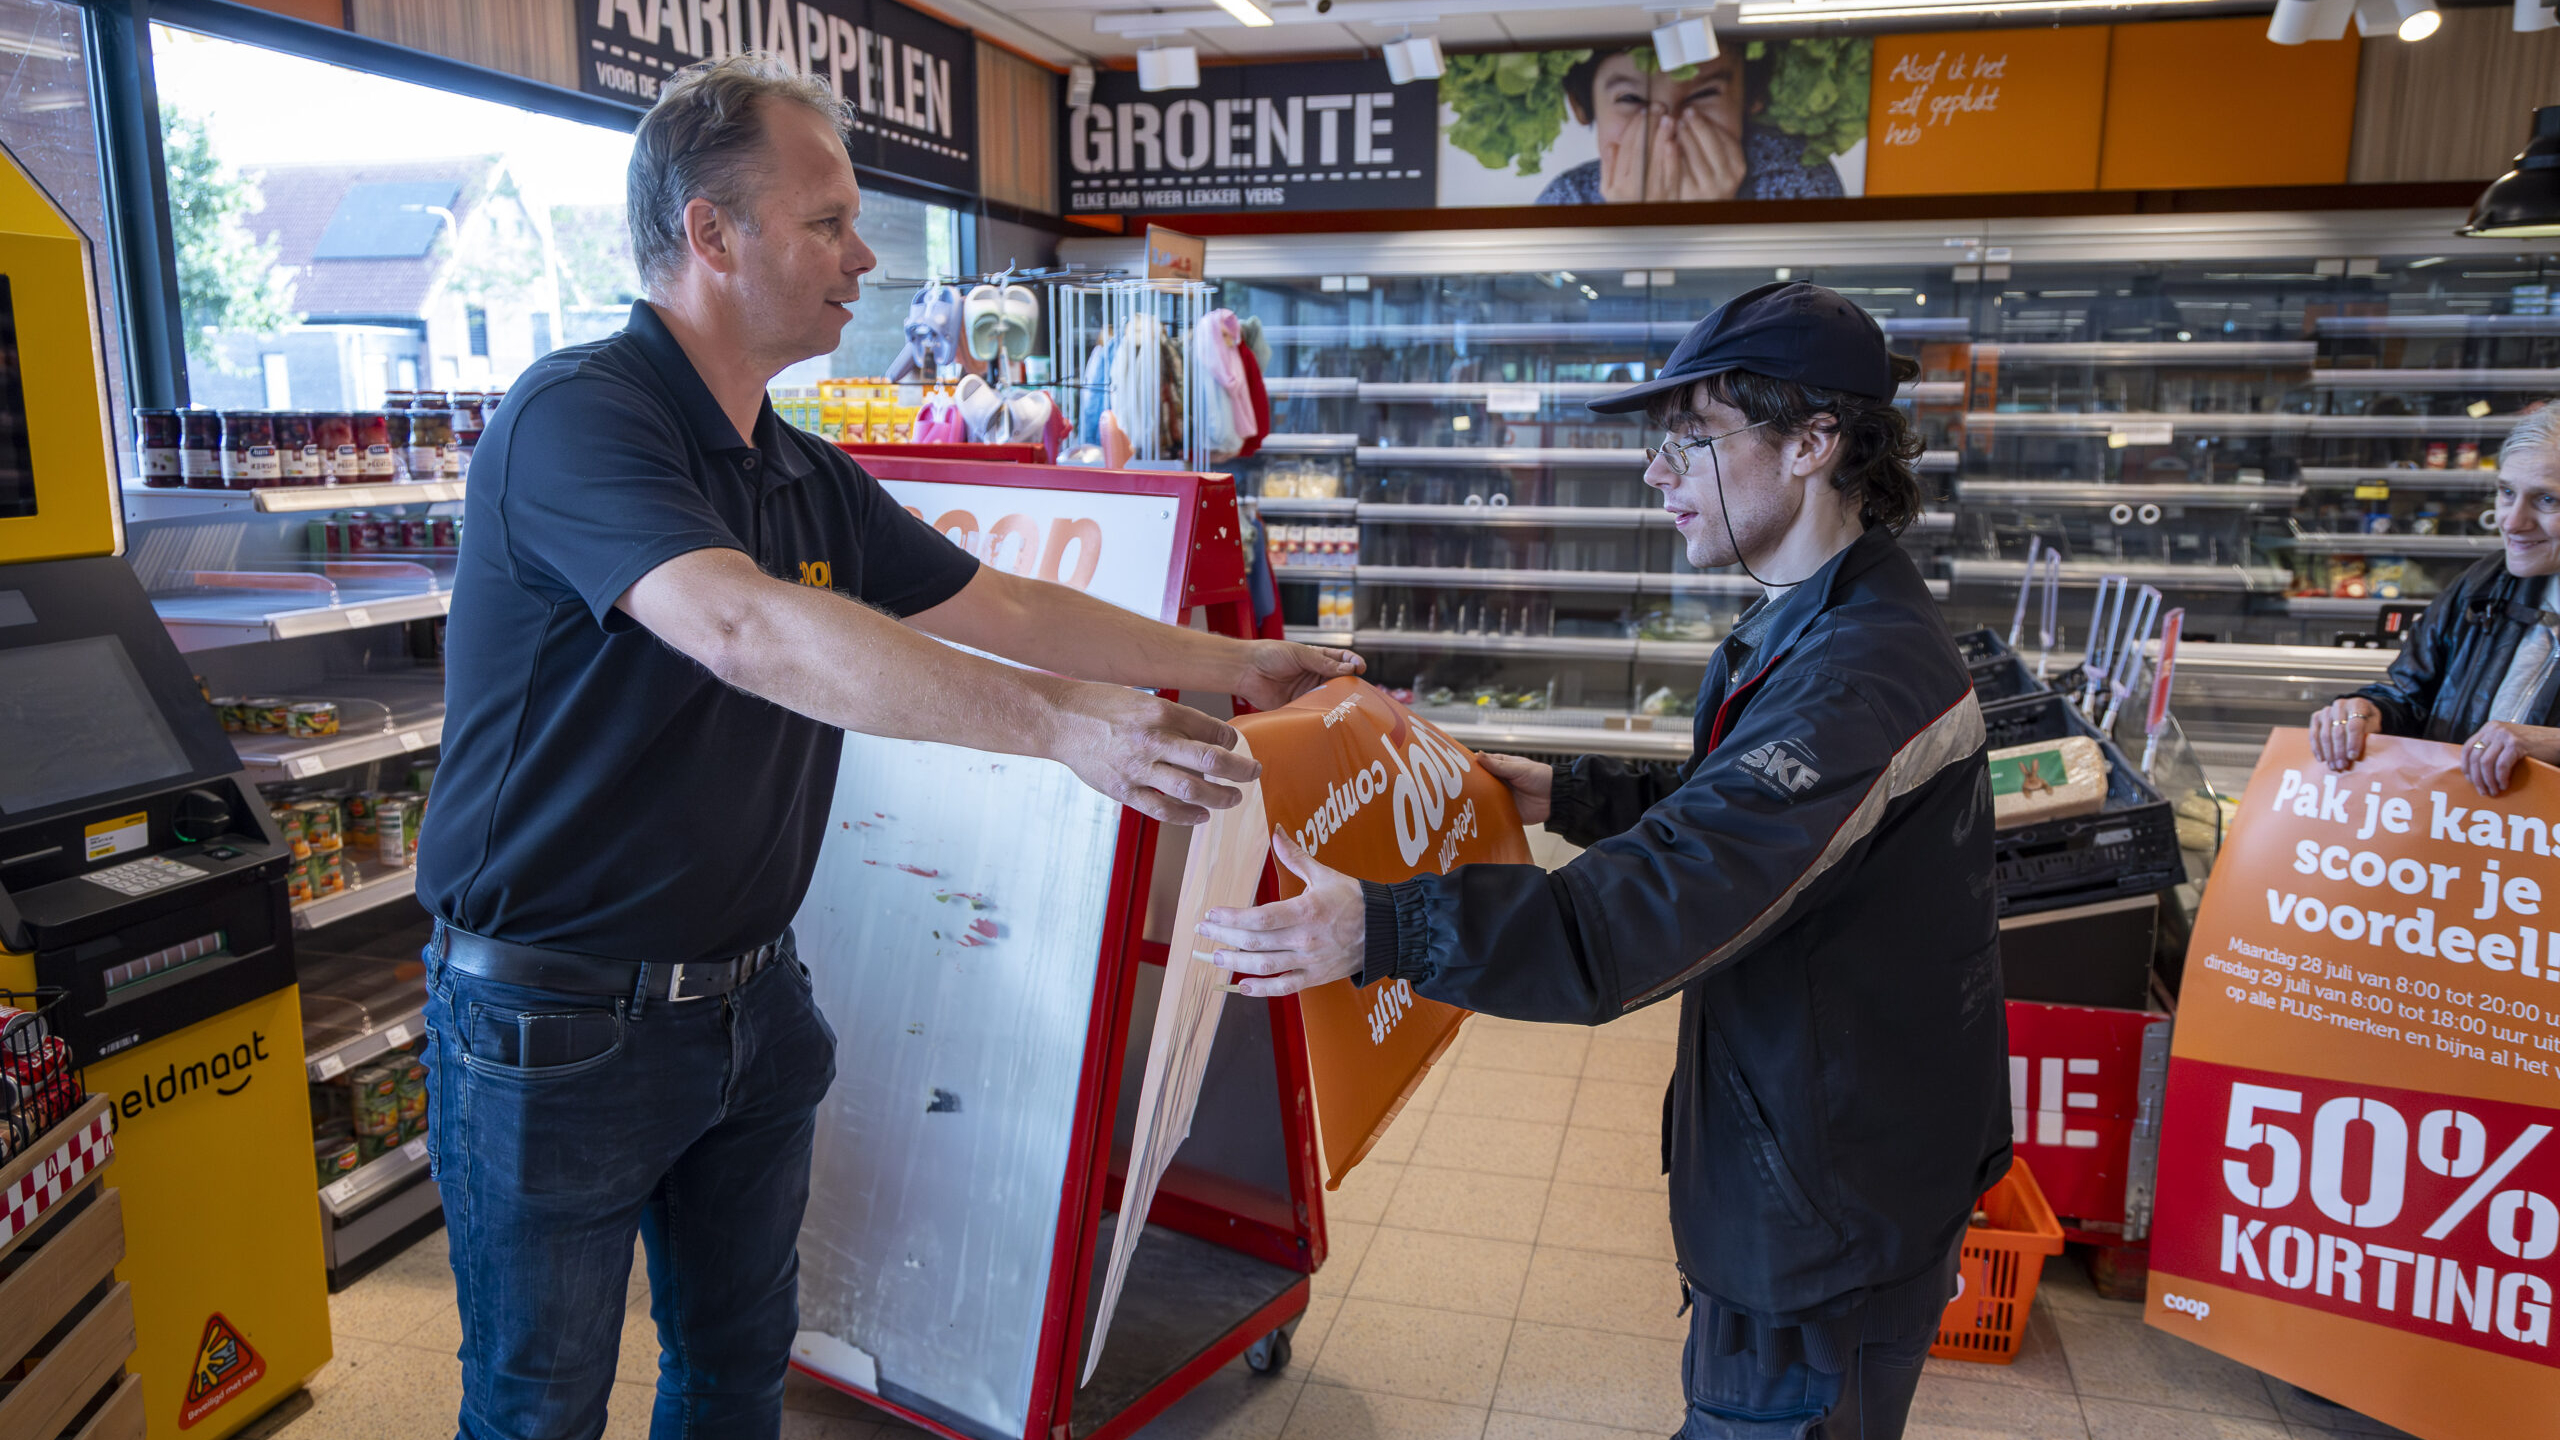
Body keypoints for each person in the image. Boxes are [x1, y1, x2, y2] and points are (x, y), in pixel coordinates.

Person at [413, 55, 1359, 1440]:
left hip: (750, 1008)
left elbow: (1006, 603)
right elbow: (748, 630)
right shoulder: (579, 419)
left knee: (734, 1376)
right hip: (554, 1029)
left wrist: (1236, 661)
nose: (865, 258)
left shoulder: (798, 468)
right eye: (828, 221)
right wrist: (1057, 728)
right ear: (711, 235)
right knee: (535, 1405)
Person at [1198, 283, 2010, 1439]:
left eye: (1691, 438)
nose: (1655, 472)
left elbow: (1659, 907)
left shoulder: (1854, 674)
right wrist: (1572, 790)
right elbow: (1769, 823)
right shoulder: (1831, 618)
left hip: (1831, 1205)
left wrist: (1386, 929)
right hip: (1839, 1141)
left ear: (1813, 444)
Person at [2312, 404, 2560, 797]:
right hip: (2464, 833)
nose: (2512, 521)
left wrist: (2552, 745)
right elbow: (2413, 697)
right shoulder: (2483, 585)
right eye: (2507, 492)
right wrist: (2369, 711)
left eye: (2547, 500)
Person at [1535, 46, 1846, 205]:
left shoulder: (1797, 175)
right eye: (1630, 99)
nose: (1668, 124)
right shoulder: (1570, 196)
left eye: (1704, 94)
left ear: (1754, 97)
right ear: (1581, 105)